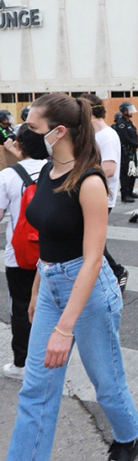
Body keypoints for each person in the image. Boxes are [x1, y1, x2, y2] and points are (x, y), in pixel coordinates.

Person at [0, 93, 138, 461]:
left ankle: (128, 438)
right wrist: (41, 285)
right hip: (52, 284)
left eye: (33, 126)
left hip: (90, 287)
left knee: (106, 382)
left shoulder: (90, 181)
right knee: (36, 386)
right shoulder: (45, 170)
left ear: (59, 132)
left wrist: (65, 327)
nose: (24, 132)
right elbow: (48, 236)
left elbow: (93, 257)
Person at [0, 128, 47, 379]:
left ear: (19, 144)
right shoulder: (56, 169)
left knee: (20, 307)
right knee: (50, 305)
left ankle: (22, 364)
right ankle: (49, 359)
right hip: (53, 252)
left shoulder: (8, 175)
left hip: (20, 255)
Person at [80, 93, 128, 293]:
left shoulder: (106, 136)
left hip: (101, 197)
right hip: (94, 195)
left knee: (92, 241)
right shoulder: (95, 134)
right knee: (90, 240)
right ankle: (108, 274)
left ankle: (117, 272)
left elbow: (109, 169)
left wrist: (81, 174)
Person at [113, 101, 138, 202]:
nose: (131, 112)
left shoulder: (129, 122)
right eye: (129, 110)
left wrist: (137, 143)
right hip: (125, 152)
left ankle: (130, 191)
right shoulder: (121, 123)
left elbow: (134, 136)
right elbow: (125, 138)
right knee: (125, 174)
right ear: (124, 111)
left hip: (132, 152)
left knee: (132, 172)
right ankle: (125, 195)